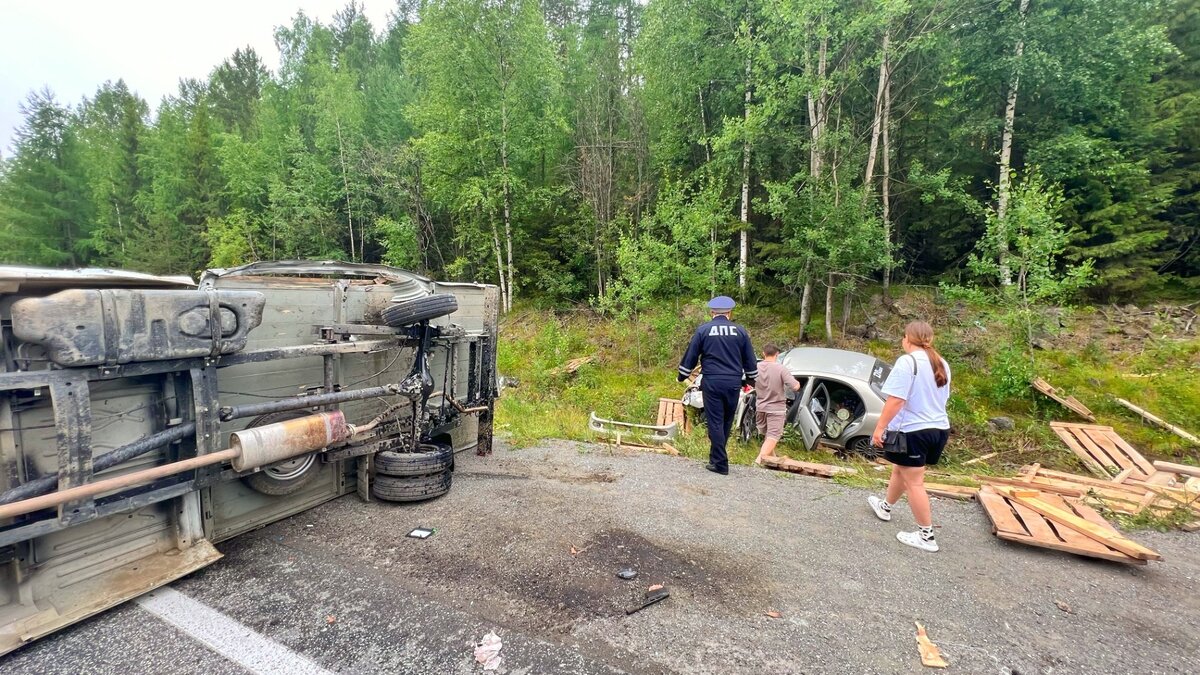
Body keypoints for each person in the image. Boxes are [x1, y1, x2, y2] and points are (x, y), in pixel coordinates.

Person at [866, 321, 951, 552]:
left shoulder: (907, 362)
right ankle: (885, 506)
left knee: (914, 482)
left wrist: (879, 427)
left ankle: (926, 536)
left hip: (914, 431)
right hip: (939, 429)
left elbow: (896, 400)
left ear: (906, 338)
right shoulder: (941, 362)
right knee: (900, 470)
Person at [677, 296, 757, 475]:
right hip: (733, 382)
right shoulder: (740, 331)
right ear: (730, 312)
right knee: (726, 421)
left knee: (714, 420)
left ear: (712, 312)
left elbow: (692, 355)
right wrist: (751, 380)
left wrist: (682, 375)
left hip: (712, 381)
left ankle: (721, 463)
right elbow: (749, 359)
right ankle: (715, 458)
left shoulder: (703, 330)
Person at [753, 344, 801, 465]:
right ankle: (759, 460)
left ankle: (772, 460)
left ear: (763, 353)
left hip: (760, 407)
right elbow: (795, 386)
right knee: (773, 436)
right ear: (777, 354)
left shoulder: (755, 367)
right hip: (776, 409)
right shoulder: (780, 369)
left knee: (768, 436)